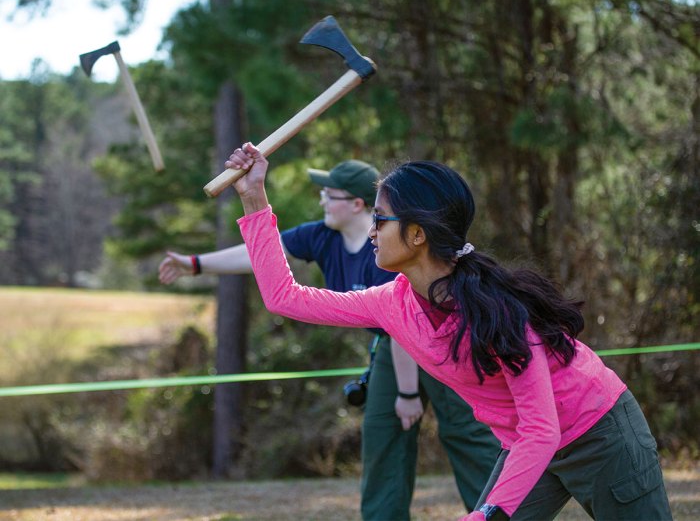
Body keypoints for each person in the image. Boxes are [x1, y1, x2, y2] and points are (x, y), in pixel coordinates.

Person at [226, 142, 673, 521]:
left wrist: (485, 515)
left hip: (599, 431)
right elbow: (285, 297)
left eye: (381, 220)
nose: (371, 234)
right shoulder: (390, 302)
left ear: (418, 234)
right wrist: (254, 197)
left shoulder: (496, 310)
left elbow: (544, 427)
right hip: (527, 444)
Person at [159, 159, 499, 520]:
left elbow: (410, 320)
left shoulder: (392, 254)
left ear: (357, 205)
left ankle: (496, 512)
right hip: (391, 343)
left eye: (329, 194)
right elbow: (267, 260)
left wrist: (409, 392)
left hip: (442, 341)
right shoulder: (326, 236)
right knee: (383, 438)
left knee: (468, 436)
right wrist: (196, 261)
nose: (321, 200)